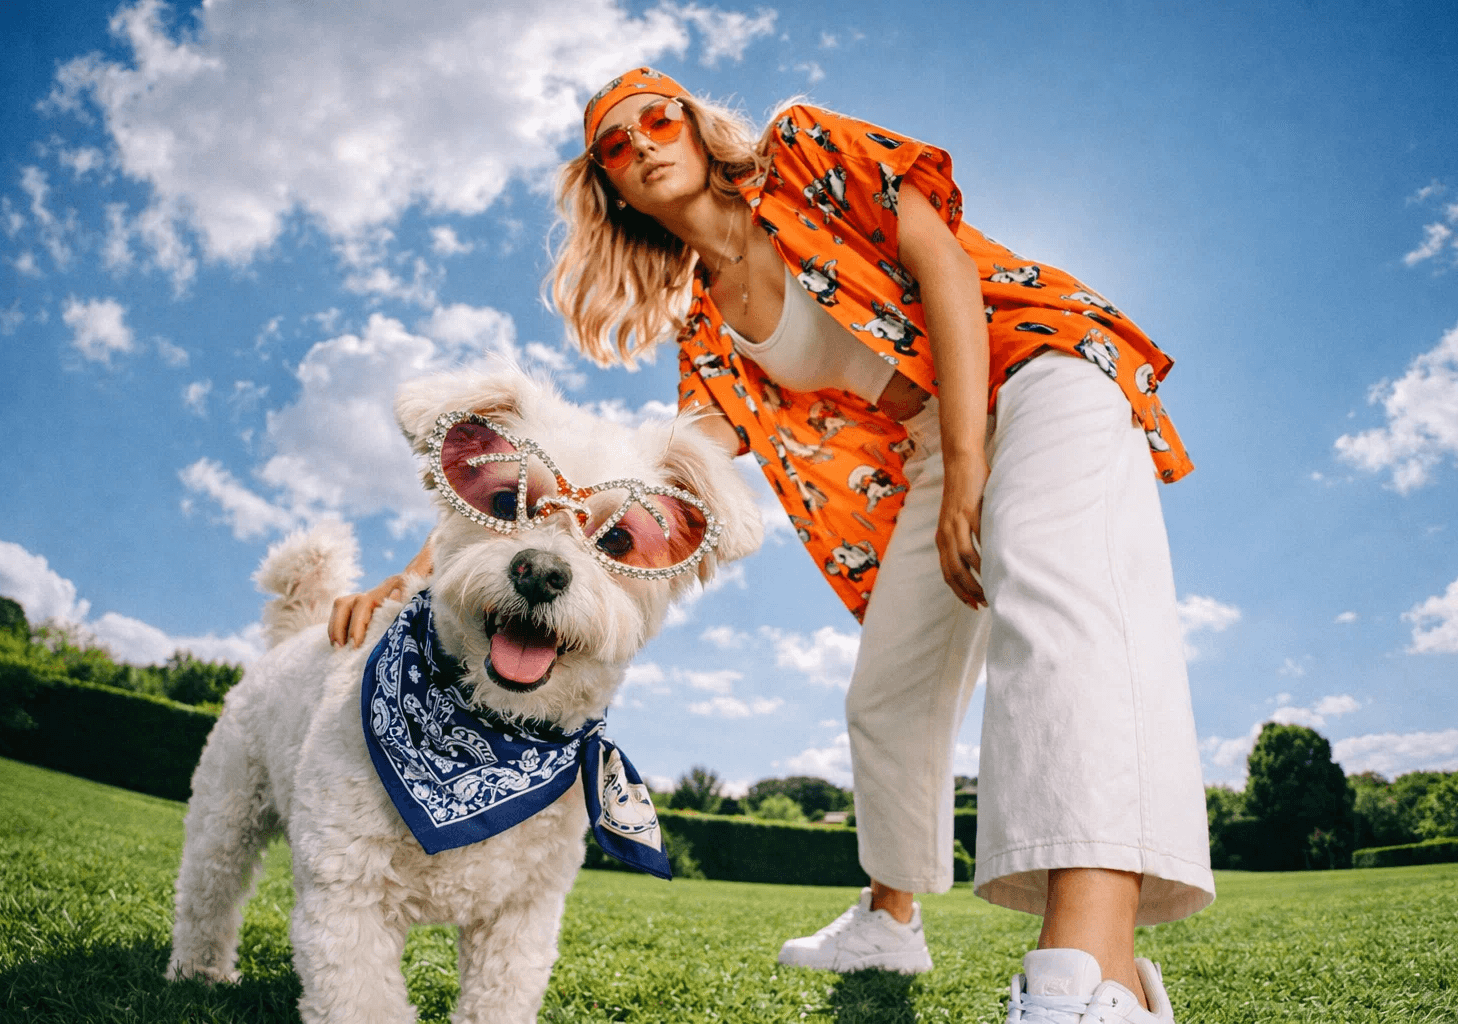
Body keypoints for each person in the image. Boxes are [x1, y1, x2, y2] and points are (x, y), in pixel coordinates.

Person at [333, 68, 1213, 1024]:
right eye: (616, 147)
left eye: (656, 119)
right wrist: (422, 575)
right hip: (928, 453)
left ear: (698, 126)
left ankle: (1092, 978)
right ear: (612, 190)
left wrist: (970, 461)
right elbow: (632, 485)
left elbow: (946, 265)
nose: (643, 145)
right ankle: (892, 918)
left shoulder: (799, 154)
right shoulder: (706, 334)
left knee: (1051, 600)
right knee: (887, 695)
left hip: (1032, 367)